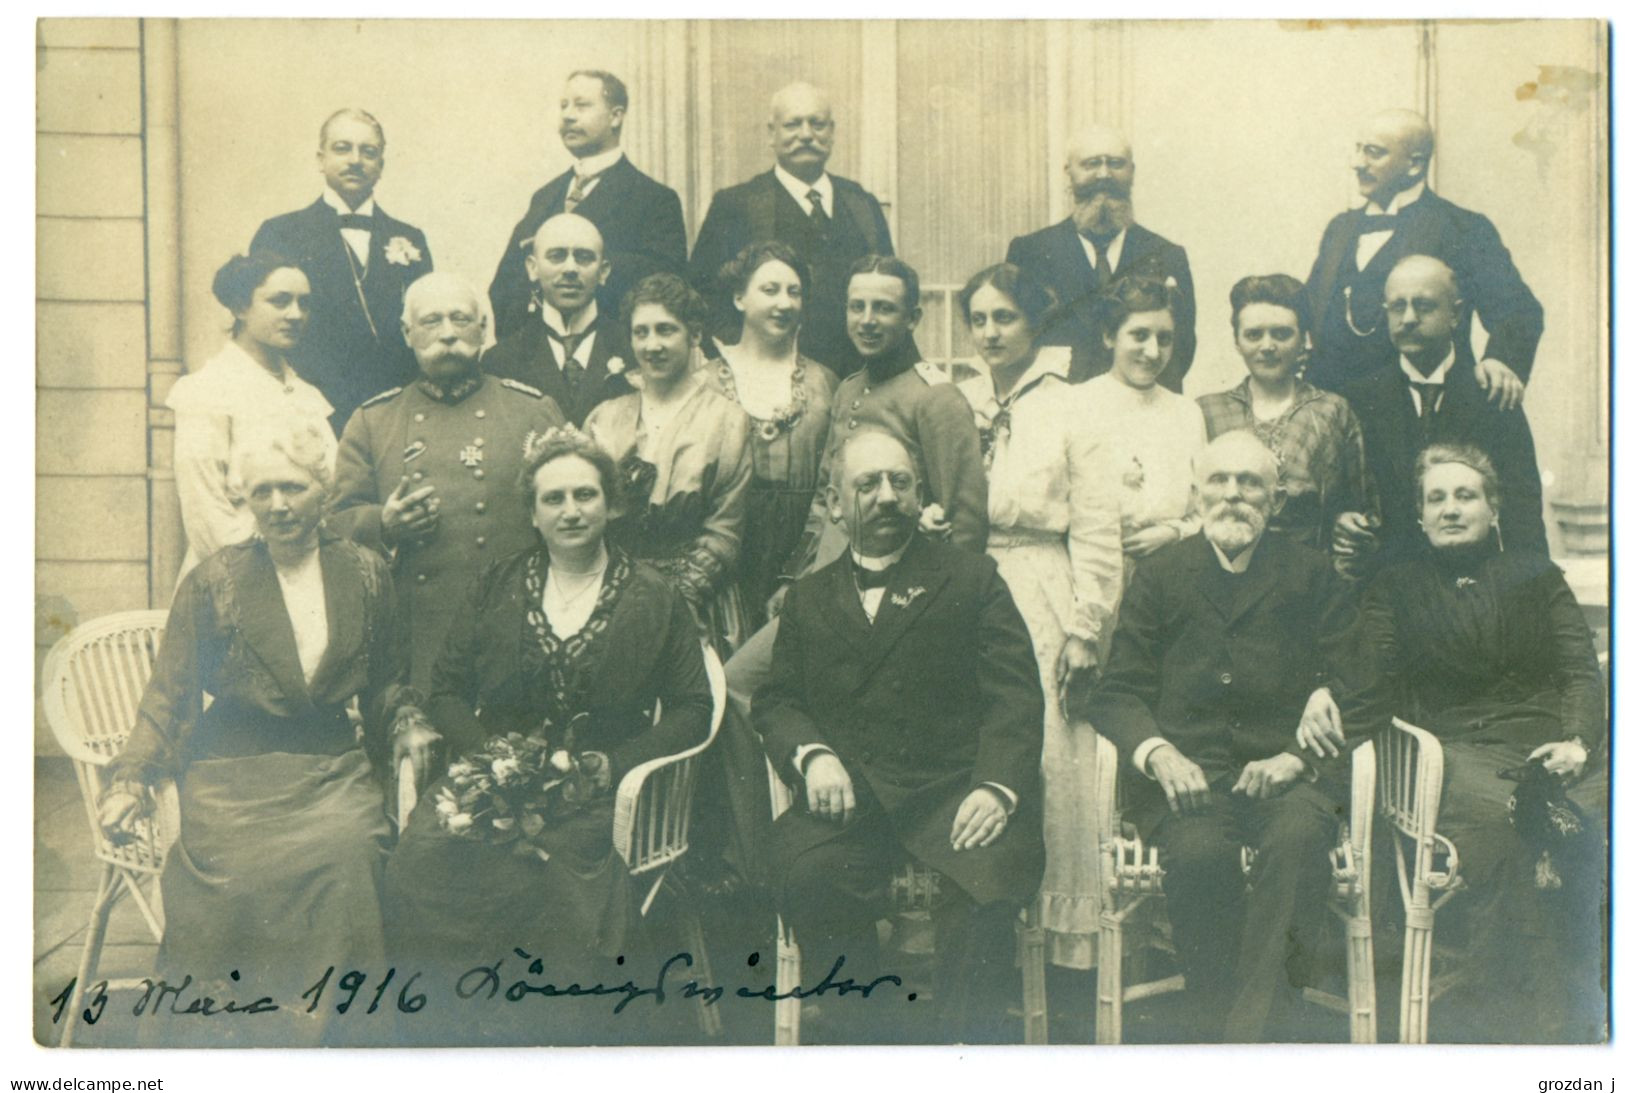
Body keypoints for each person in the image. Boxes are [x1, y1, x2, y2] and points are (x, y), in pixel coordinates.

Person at [383, 426, 713, 1046]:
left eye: (585, 495)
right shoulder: (496, 585)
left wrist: (610, 766)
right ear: (532, 513)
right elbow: (446, 689)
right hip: (490, 778)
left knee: (549, 879)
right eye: (554, 498)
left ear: (611, 504)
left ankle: (545, 1048)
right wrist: (489, 756)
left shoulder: (654, 594)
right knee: (418, 865)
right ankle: (450, 1044)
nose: (571, 511)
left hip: (592, 793)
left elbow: (693, 709)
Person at [98, 420, 414, 1047]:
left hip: (328, 765)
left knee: (349, 858)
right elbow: (171, 694)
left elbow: (386, 683)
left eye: (293, 487)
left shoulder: (367, 572)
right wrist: (131, 778)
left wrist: (407, 726)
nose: (277, 505)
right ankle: (232, 1040)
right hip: (230, 769)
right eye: (262, 490)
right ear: (245, 498)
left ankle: (336, 1040)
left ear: (324, 491)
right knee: (233, 871)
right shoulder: (216, 578)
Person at [1084, 430, 1387, 1042]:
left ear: (1274, 502)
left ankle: (1234, 1044)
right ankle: (1249, 1037)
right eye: (1218, 482)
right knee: (1198, 856)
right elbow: (1116, 691)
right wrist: (1158, 753)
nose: (1233, 496)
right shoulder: (1161, 574)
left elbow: (1370, 687)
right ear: (1196, 495)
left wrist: (1298, 757)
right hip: (1189, 781)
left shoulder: (1311, 572)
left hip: (1285, 781)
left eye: (1250, 484)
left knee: (1300, 839)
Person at [756, 428, 1044, 1044]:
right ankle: (868, 1041)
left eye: (900, 482)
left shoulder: (972, 579)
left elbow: (1015, 698)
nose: (887, 496)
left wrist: (997, 788)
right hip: (853, 800)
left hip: (956, 793)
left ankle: (963, 1062)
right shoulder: (808, 599)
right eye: (868, 484)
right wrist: (812, 757)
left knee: (985, 887)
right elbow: (779, 701)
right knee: (807, 875)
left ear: (919, 496)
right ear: (836, 505)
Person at [1352, 444, 1605, 1042]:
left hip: (1552, 746)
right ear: (1418, 518)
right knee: (1514, 827)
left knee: (1587, 821)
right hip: (1456, 754)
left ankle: (1584, 1014)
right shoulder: (1395, 588)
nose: (1450, 508)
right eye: (1435, 498)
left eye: (1465, 496)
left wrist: (1576, 740)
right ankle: (1528, 1029)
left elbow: (1579, 672)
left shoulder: (1537, 577)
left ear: (1494, 510)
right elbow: (1370, 682)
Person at [955, 262, 1121, 970]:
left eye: (1006, 318)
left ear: (1035, 323)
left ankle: (1059, 942)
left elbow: (1096, 525)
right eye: (981, 319)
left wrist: (1086, 627)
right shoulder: (955, 402)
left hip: (1042, 584)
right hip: (968, 584)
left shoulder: (1073, 405)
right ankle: (981, 922)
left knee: (1051, 749)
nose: (991, 332)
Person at [328, 272, 565, 687]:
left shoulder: (534, 411)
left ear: (484, 329)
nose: (449, 334)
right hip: (416, 638)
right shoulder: (373, 421)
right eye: (432, 322)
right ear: (407, 333)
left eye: (460, 319)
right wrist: (385, 523)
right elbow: (335, 525)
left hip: (516, 629)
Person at [1303, 108, 1543, 403]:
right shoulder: (1339, 229)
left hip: (1418, 410)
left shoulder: (1463, 228)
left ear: (1415, 165)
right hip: (1332, 406)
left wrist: (1501, 361)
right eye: (1358, 150)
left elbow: (1519, 311)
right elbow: (1309, 306)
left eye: (1373, 153)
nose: (1357, 164)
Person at [1335, 255, 1547, 575]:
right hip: (1388, 586)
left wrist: (1531, 595)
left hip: (1477, 583)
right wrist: (1342, 518)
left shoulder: (1491, 395)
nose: (1408, 318)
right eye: (1397, 307)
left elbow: (1523, 511)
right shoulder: (1358, 400)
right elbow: (1342, 496)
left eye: (1423, 306)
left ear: (1456, 314)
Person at [583, 273, 753, 655]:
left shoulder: (727, 421)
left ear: (694, 335)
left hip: (696, 605)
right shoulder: (605, 417)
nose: (652, 345)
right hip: (609, 598)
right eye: (640, 333)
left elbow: (725, 531)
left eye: (665, 331)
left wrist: (670, 603)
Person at [689, 81, 894, 377]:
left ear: (832, 132)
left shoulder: (862, 204)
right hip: (767, 380)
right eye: (793, 124)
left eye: (817, 124)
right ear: (772, 134)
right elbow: (702, 296)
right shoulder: (736, 205)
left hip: (859, 378)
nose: (806, 135)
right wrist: (744, 360)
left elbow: (892, 291)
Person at [250, 108, 432, 431]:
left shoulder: (409, 239)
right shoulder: (281, 233)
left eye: (368, 151)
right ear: (321, 159)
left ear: (381, 166)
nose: (355, 160)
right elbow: (263, 333)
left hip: (393, 411)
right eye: (342, 148)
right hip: (310, 412)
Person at [168, 252, 337, 580]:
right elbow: (205, 511)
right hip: (236, 574)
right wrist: (259, 583)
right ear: (240, 307)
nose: (295, 314)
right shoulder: (207, 389)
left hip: (310, 569)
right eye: (280, 301)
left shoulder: (307, 396)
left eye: (304, 303)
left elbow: (332, 489)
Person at [488, 70, 686, 340]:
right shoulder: (545, 196)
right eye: (564, 106)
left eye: (582, 105)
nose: (568, 115)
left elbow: (665, 289)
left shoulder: (653, 199)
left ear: (616, 116)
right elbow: (504, 285)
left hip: (612, 355)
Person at [705, 241, 840, 630]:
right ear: (738, 298)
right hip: (729, 556)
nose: (784, 303)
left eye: (793, 292)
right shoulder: (707, 383)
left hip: (805, 557)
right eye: (770, 290)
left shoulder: (823, 383)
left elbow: (830, 488)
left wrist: (800, 575)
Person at [1005, 125, 1196, 389]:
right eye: (1091, 163)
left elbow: (1182, 348)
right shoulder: (1030, 253)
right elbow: (1017, 342)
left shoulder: (1167, 255)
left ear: (1132, 172)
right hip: (1059, 408)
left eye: (1116, 163)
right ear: (1068, 173)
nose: (1104, 174)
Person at [1198, 274, 1374, 553]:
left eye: (1281, 334)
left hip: (1307, 577)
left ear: (1304, 339)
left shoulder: (1331, 411)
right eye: (1254, 335)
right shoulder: (1207, 411)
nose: (1267, 346)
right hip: (1221, 574)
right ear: (1237, 343)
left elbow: (1359, 507)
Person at [1073, 275, 1205, 588]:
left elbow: (1205, 507)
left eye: (1164, 338)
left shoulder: (1186, 413)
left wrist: (1173, 532)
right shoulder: (1076, 404)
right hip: (1093, 574)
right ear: (1109, 337)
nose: (1153, 351)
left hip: (1172, 572)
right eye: (1139, 335)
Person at [482, 213, 634, 426]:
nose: (570, 269)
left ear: (603, 271)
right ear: (533, 268)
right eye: (557, 256)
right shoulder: (500, 361)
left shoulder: (634, 350)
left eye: (583, 257)